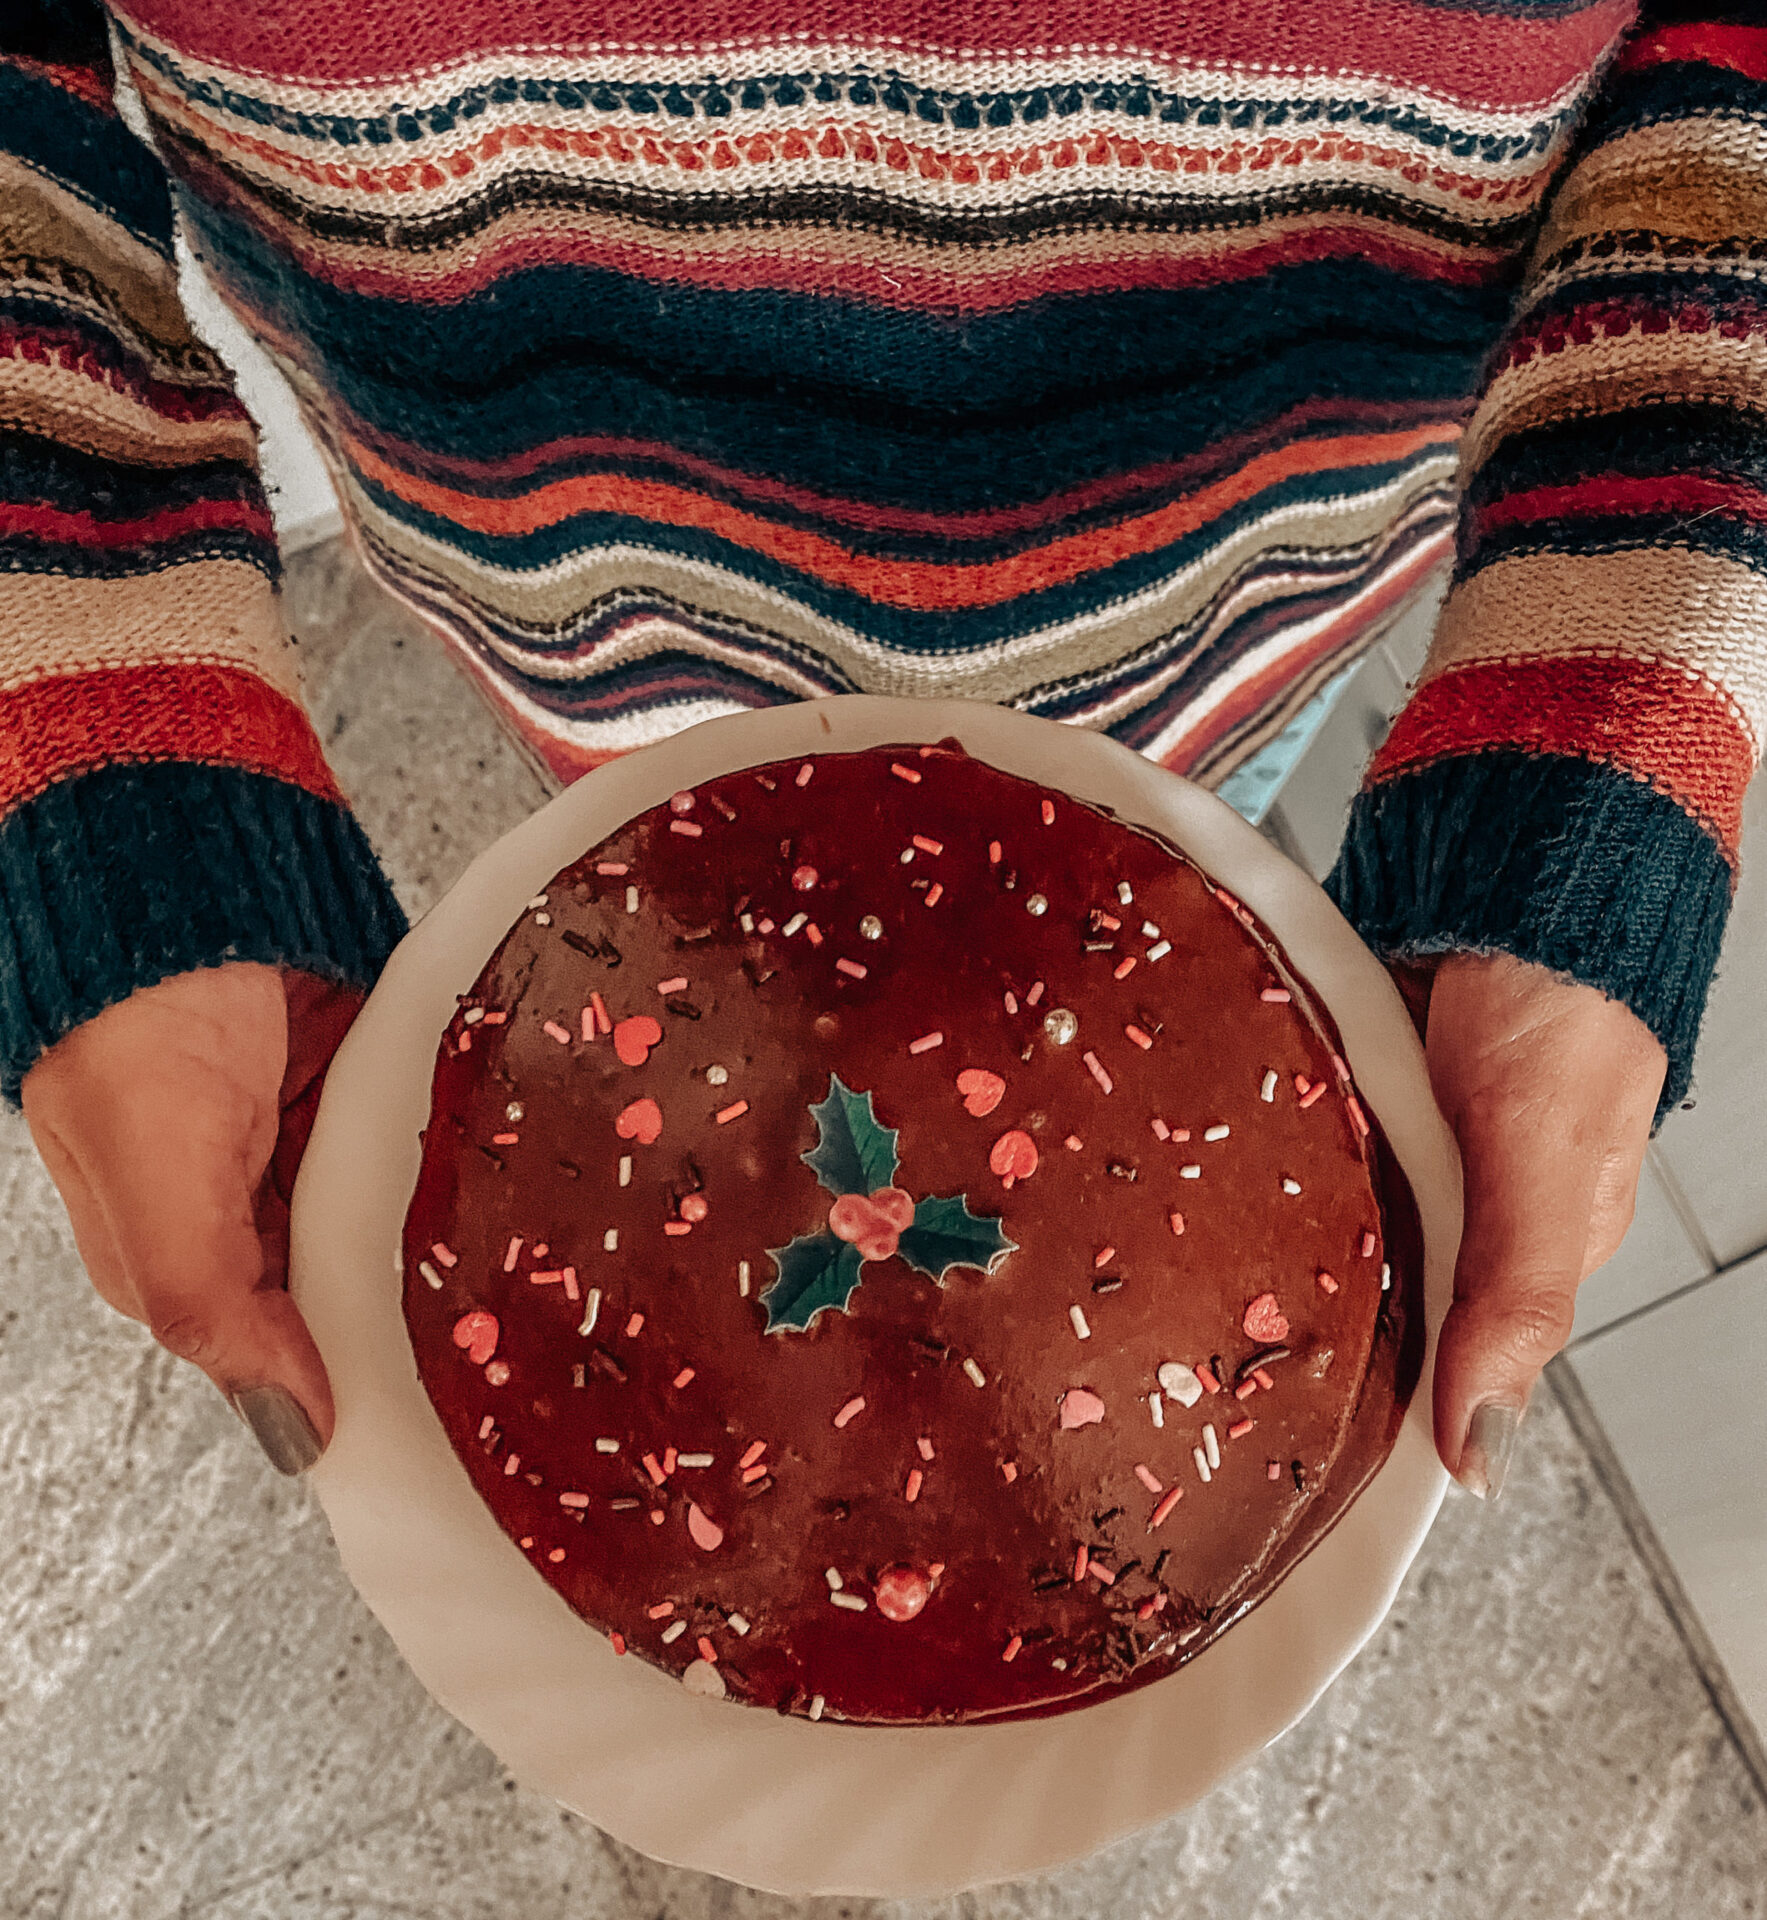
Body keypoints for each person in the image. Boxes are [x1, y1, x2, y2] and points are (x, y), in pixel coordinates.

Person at [5, 1, 1755, 1503]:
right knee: (693, 921)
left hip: (1235, 597)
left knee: (1127, 874)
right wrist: (93, 741)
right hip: (570, 596)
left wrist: (1608, 728)